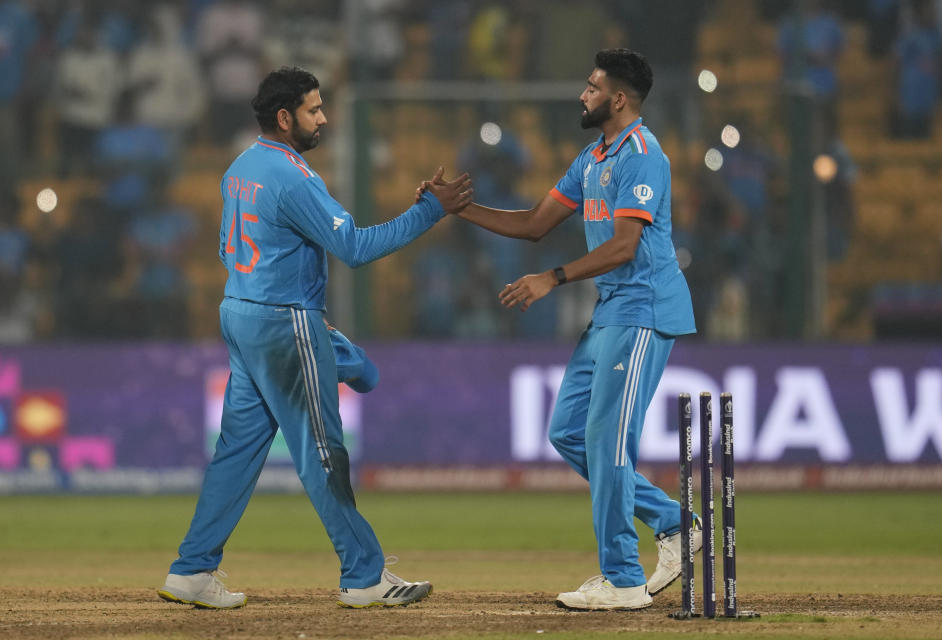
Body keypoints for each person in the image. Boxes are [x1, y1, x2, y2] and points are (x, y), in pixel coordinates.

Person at [158, 66, 471, 610]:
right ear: (286, 117)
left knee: (235, 452)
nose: (324, 117)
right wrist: (430, 210)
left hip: (240, 311)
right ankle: (364, 575)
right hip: (284, 321)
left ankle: (192, 570)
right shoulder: (292, 176)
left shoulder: (240, 167)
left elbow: (226, 248)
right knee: (323, 450)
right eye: (314, 108)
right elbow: (355, 249)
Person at [424, 49, 701, 611]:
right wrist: (458, 209)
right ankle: (675, 524)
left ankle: (622, 579)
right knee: (569, 432)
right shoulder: (594, 156)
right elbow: (533, 224)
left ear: (617, 98)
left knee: (605, 440)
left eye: (592, 87)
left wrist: (553, 277)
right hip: (611, 313)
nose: (583, 94)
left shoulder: (643, 155)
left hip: (644, 310)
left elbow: (625, 247)